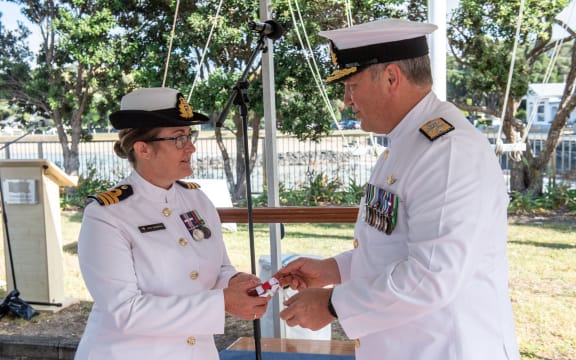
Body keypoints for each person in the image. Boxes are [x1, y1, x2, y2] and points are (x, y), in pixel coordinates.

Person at [274, 19, 520, 360]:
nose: (346, 101)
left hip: (446, 349)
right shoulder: (407, 144)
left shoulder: (447, 151)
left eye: (352, 85)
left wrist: (333, 306)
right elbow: (396, 245)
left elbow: (431, 275)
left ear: (391, 78)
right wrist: (334, 270)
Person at [75, 87, 269, 359]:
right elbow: (125, 311)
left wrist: (235, 281)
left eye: (189, 136)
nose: (191, 147)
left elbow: (218, 267)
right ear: (143, 149)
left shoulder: (197, 199)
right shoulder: (107, 215)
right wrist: (223, 301)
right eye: (178, 138)